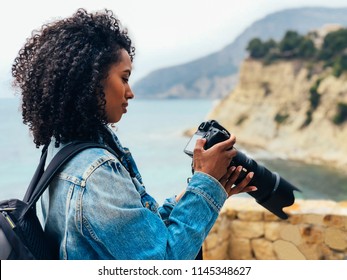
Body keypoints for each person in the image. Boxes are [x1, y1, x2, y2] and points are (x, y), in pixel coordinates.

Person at [12, 8, 256, 260]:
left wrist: (200, 188)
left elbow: (139, 237)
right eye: (124, 78)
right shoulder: (96, 172)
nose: (130, 92)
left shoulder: (60, 150)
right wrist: (205, 185)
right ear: (91, 81)